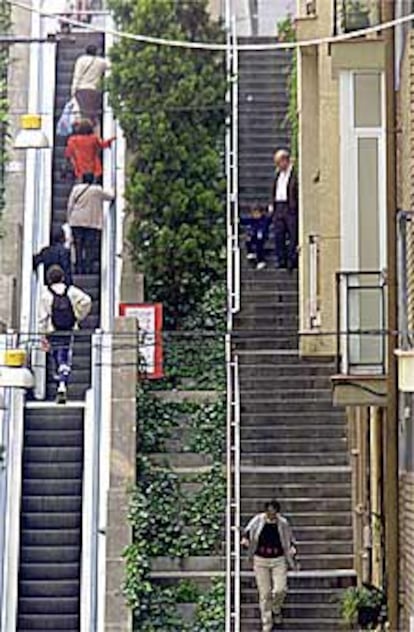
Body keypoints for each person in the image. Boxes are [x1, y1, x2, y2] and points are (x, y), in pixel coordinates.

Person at [39, 265, 92, 404]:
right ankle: (62, 383)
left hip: (53, 330)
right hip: (68, 329)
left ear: (49, 279)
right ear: (62, 277)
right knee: (65, 354)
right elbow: (87, 301)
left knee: (56, 356)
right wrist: (77, 315)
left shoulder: (45, 294)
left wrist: (42, 335)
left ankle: (60, 382)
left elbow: (42, 317)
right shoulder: (71, 291)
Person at [241, 500, 297, 631]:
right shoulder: (258, 520)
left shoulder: (282, 523)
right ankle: (267, 622)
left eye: (273, 512)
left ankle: (276, 608)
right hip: (261, 560)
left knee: (280, 589)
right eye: (269, 512)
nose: (271, 515)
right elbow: (247, 532)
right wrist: (245, 540)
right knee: (265, 593)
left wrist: (292, 550)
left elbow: (290, 538)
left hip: (278, 559)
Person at [67, 172, 114, 274]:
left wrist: (69, 219)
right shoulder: (97, 190)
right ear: (93, 180)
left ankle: (78, 268)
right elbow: (110, 196)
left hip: (76, 221)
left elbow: (70, 205)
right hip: (92, 223)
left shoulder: (76, 189)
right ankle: (88, 268)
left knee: (78, 245)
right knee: (89, 246)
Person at [271, 149, 299, 270]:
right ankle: (281, 259)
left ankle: (292, 260)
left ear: (285, 160)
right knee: (279, 234)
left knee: (292, 234)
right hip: (279, 206)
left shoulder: (294, 173)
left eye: (278, 162)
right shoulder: (278, 174)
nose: (277, 166)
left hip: (289, 206)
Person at [64, 118, 115, 183]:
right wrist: (112, 139)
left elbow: (68, 154)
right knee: (92, 186)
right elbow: (103, 145)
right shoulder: (93, 138)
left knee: (81, 188)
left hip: (79, 168)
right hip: (93, 168)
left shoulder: (72, 140)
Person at [71, 44, 108, 124]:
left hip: (82, 89)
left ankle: (83, 131)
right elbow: (110, 66)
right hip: (94, 90)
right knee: (93, 115)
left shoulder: (81, 60)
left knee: (83, 114)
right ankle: (94, 133)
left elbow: (77, 76)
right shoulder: (101, 62)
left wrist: (73, 90)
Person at [240, 203, 271, 270]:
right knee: (248, 239)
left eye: (257, 213)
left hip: (262, 237)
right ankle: (251, 252)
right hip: (253, 236)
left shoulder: (264, 220)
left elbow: (268, 222)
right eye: (254, 213)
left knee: (259, 245)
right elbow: (244, 221)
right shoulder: (252, 220)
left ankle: (261, 260)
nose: (255, 215)